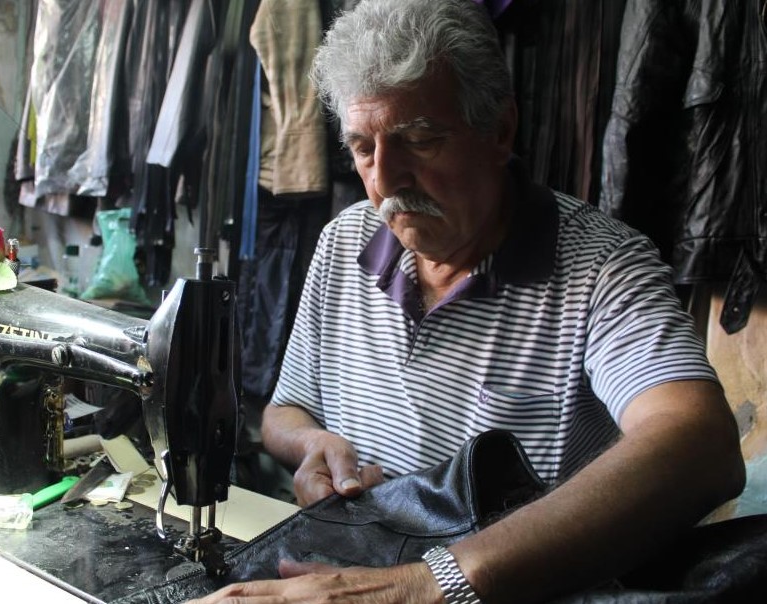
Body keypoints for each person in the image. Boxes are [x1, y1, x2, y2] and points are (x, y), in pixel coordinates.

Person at [189, 0, 745, 602]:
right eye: (363, 148)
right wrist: (311, 445)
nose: (385, 179)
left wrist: (432, 584)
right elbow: (286, 411)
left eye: (419, 140)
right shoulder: (343, 242)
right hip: (353, 568)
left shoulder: (602, 268)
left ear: (499, 131)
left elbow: (701, 446)